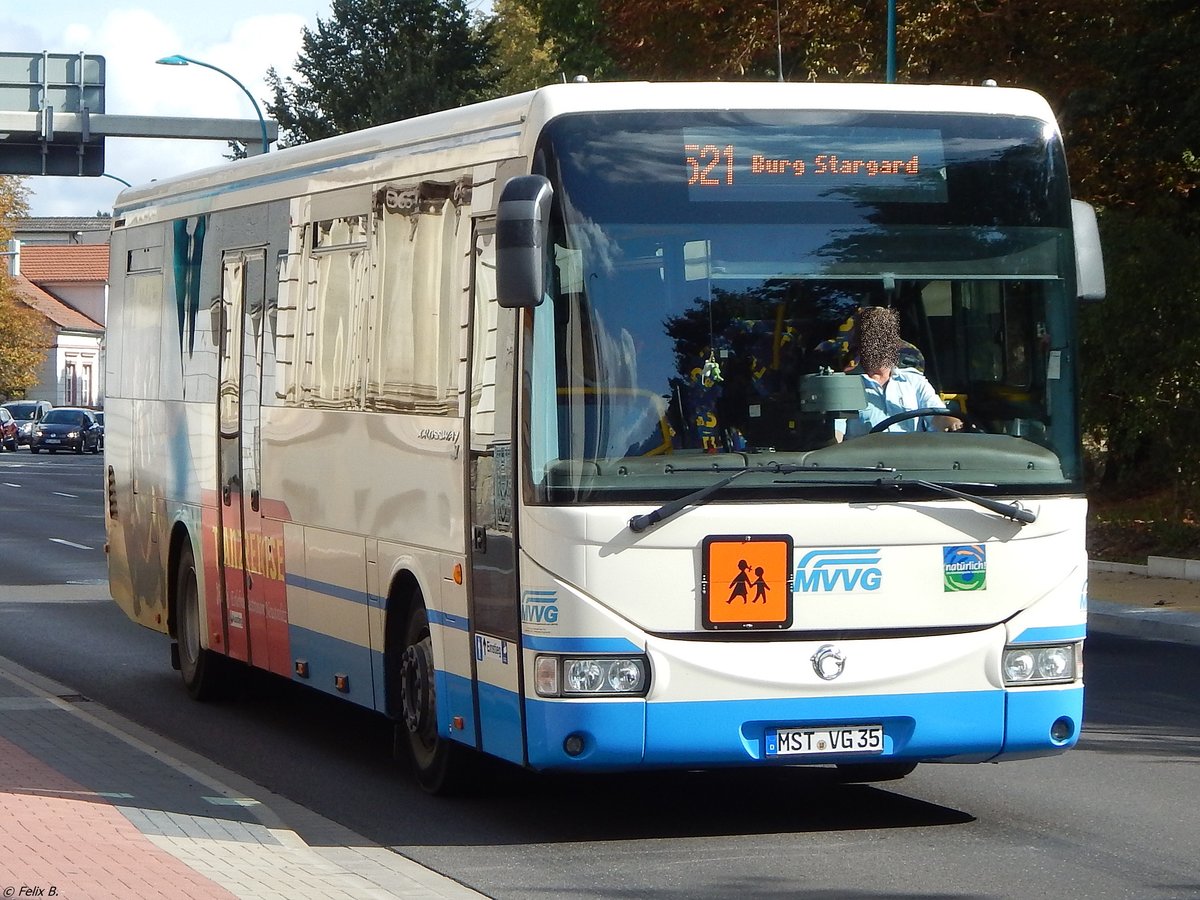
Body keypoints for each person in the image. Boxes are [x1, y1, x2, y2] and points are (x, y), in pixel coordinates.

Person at [835, 306, 961, 441]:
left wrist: (953, 424)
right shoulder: (845, 387)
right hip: (864, 460)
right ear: (859, 343)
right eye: (872, 338)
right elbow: (835, 435)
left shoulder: (914, 381)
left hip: (910, 459)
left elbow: (938, 416)